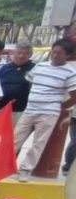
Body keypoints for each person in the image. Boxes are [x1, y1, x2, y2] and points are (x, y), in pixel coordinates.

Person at [23, 39, 76, 177]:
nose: (55, 55)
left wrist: (58, 106)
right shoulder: (40, 66)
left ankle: (25, 170)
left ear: (68, 55)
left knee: (38, 143)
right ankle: (5, 167)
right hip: (30, 108)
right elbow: (30, 83)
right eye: (54, 51)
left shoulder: (70, 72)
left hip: (49, 112)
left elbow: (74, 96)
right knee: (15, 139)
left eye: (60, 53)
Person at [0, 43, 34, 128]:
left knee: (14, 136)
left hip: (20, 110)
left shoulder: (34, 69)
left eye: (25, 53)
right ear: (14, 53)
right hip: (0, 107)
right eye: (19, 53)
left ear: (30, 55)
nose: (21, 56)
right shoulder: (5, 68)